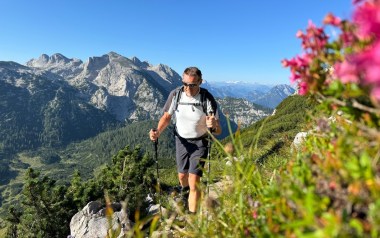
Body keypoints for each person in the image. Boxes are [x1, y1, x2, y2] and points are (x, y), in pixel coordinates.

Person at [149, 66, 222, 213]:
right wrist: (157, 132)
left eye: (193, 84)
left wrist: (214, 125)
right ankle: (185, 191)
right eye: (186, 84)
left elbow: (218, 130)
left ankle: (192, 219)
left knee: (194, 181)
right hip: (181, 140)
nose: (188, 88)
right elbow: (166, 117)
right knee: (182, 176)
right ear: (183, 81)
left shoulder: (207, 98)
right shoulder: (176, 94)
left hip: (201, 142)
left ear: (200, 82)